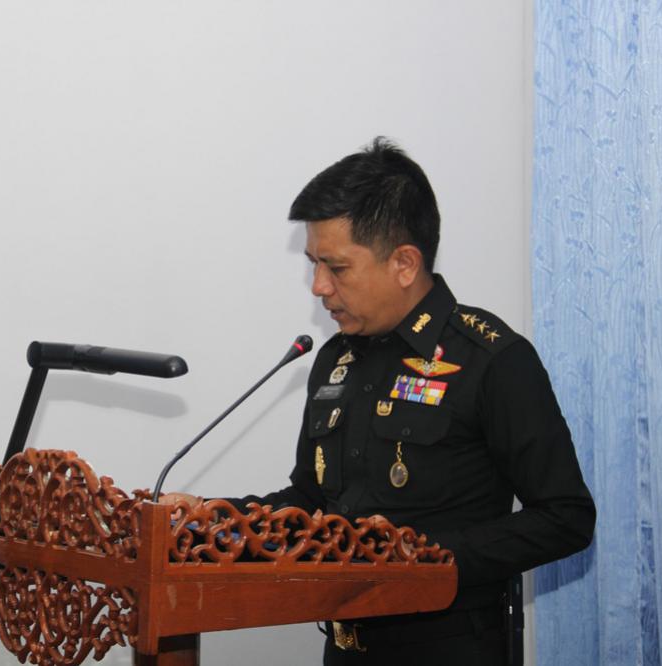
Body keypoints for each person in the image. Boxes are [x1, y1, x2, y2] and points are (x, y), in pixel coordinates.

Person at [162, 137, 595, 665]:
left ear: (405, 263)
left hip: (447, 649)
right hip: (344, 648)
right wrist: (214, 521)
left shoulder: (491, 359)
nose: (318, 287)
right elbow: (310, 500)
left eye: (336, 267)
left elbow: (566, 517)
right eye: (313, 264)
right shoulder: (336, 359)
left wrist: (424, 559)